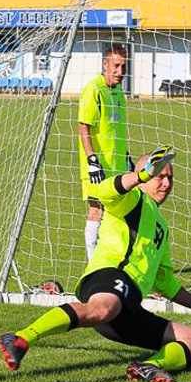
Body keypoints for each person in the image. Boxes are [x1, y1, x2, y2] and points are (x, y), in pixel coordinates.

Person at [0, 147, 191, 382]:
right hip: (108, 278)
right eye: (159, 176)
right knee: (105, 307)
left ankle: (149, 367)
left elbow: (166, 284)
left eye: (170, 178)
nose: (166, 183)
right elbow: (103, 191)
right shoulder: (133, 200)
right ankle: (20, 338)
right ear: (145, 175)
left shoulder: (161, 229)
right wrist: (140, 177)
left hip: (128, 305)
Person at [78, 44, 132, 260]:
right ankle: (93, 265)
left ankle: (114, 259)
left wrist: (127, 157)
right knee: (96, 211)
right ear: (105, 64)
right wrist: (92, 159)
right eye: (116, 66)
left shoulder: (118, 91)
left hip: (118, 166)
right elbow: (83, 126)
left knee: (117, 214)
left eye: (124, 67)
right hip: (97, 167)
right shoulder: (93, 89)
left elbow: (115, 129)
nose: (120, 72)